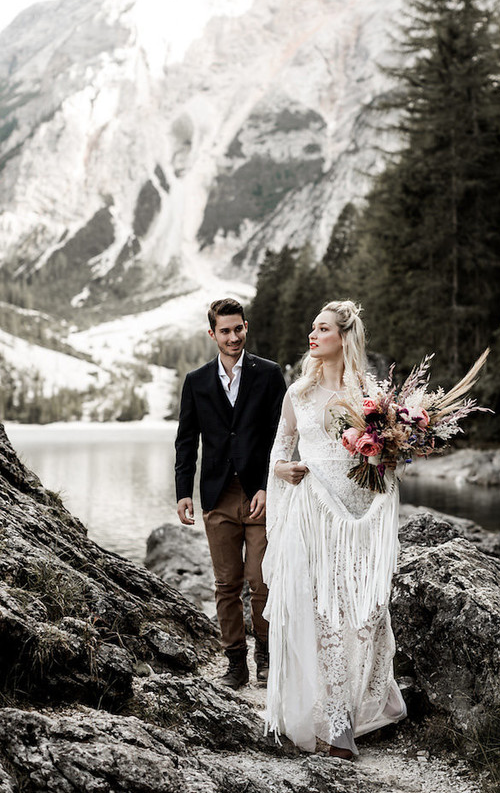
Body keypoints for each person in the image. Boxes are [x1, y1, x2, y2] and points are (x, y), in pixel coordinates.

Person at [263, 300, 407, 759]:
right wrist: (283, 470)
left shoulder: (369, 394)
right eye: (312, 327)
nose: (312, 335)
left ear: (344, 337)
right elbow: (279, 452)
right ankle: (336, 721)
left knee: (364, 612)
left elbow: (386, 460)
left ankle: (371, 699)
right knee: (322, 614)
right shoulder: (297, 393)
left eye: (322, 328)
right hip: (312, 516)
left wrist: (387, 458)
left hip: (359, 520)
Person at [175, 298, 286, 688]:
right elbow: (186, 441)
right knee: (226, 584)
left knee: (261, 579)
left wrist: (268, 486)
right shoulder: (196, 381)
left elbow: (282, 437)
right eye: (225, 331)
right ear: (212, 334)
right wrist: (183, 492)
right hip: (217, 494)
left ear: (246, 327)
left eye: (238, 328)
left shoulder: (269, 374)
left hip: (260, 494)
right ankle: (235, 663)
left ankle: (266, 656)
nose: (233, 337)